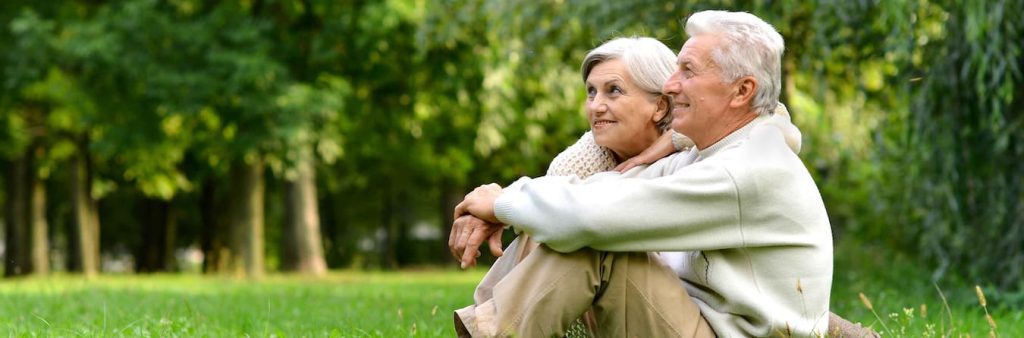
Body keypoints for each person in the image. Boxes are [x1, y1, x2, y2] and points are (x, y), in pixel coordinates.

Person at [451, 10, 833, 337]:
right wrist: (500, 204)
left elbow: (595, 215)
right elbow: (604, 192)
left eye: (687, 70)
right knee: (569, 219)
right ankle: (482, 324)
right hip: (697, 321)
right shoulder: (711, 154)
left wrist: (501, 203)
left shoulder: (749, 166)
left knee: (594, 237)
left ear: (742, 90)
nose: (670, 84)